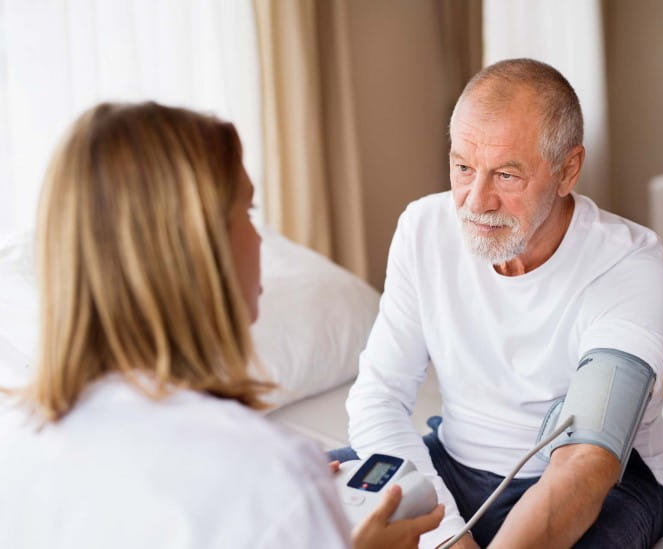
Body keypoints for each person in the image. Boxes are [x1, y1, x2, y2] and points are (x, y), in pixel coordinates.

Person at [0, 102, 443, 548]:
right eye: (247, 213)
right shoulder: (264, 478)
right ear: (194, 250)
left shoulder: (19, 459)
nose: (258, 239)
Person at [333, 59, 663, 548]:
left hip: (607, 485)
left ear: (568, 170)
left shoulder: (628, 265)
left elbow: (587, 459)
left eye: (507, 176)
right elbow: (378, 399)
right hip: (453, 464)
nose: (477, 201)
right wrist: (449, 535)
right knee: (299, 502)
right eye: (462, 167)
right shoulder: (423, 229)